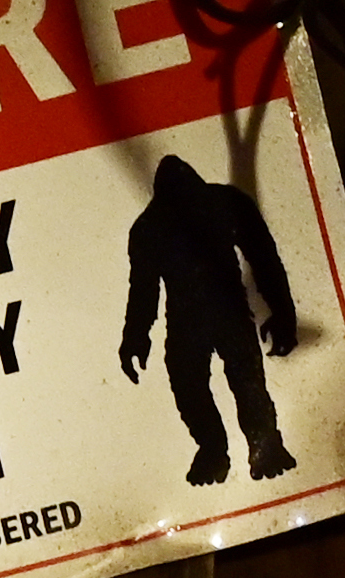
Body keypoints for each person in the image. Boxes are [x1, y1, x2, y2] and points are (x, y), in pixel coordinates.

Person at [120, 150, 303, 484]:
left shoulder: (187, 214)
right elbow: (144, 291)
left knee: (235, 384)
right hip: (202, 315)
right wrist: (134, 337)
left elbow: (264, 259)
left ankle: (257, 446)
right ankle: (220, 450)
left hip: (217, 311)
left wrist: (283, 314)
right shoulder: (158, 224)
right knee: (204, 386)